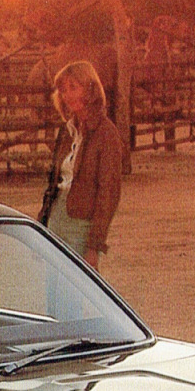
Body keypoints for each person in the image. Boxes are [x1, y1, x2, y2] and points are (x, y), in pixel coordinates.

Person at [42, 59, 124, 271]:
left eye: (73, 87)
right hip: (56, 217)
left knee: (76, 285)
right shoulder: (66, 131)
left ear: (90, 89)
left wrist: (94, 246)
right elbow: (53, 182)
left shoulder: (106, 134)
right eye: (63, 90)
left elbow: (108, 193)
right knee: (52, 283)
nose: (67, 95)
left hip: (82, 225)